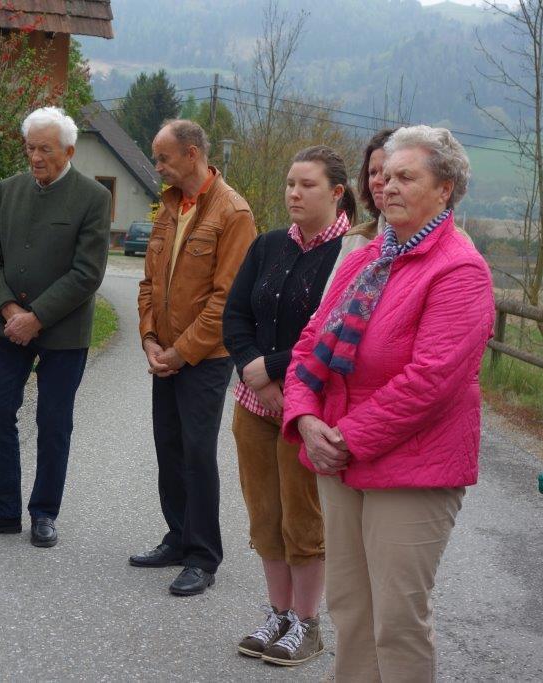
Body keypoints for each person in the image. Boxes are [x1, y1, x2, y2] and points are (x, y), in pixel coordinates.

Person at [282, 125, 494, 681]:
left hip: (411, 468)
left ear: (444, 189)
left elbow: (431, 381)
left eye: (407, 177)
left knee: (397, 622)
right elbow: (310, 344)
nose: (389, 187)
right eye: (386, 176)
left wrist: (345, 438)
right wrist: (304, 417)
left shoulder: (460, 269)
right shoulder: (367, 257)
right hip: (338, 459)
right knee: (350, 609)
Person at [222, 146, 357, 665]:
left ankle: (307, 622)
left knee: (303, 519)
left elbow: (336, 331)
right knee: (264, 515)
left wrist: (274, 369)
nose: (294, 194)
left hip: (309, 410)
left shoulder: (350, 254)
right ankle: (277, 614)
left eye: (307, 185)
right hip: (254, 404)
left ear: (337, 192)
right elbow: (236, 315)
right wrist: (252, 370)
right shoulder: (268, 245)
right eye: (289, 184)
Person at [0, 107, 111, 548]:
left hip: (64, 331)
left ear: (69, 151)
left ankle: (44, 512)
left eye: (45, 149)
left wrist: (37, 317)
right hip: (6, 327)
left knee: (54, 422)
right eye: (30, 148)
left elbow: (87, 273)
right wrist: (10, 311)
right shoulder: (8, 190)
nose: (36, 157)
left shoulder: (93, 198)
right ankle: (4, 509)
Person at [131, 119, 257, 596]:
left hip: (204, 358)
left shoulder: (233, 212)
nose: (158, 166)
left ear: (191, 154)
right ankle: (178, 536)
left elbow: (227, 300)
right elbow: (149, 282)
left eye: (163, 158)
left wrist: (180, 353)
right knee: (169, 447)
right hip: (164, 353)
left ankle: (203, 555)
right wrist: (149, 337)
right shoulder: (168, 207)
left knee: (198, 452)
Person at [320, 128, 397, 298]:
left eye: (386, 172)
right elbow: (330, 304)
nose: (377, 181)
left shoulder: (448, 245)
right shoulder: (356, 239)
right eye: (372, 172)